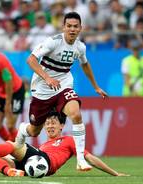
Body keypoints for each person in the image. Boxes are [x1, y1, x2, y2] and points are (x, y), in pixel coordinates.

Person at [15, 12, 108, 171]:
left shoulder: (80, 47)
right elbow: (30, 59)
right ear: (63, 27)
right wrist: (47, 78)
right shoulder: (53, 42)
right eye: (69, 26)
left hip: (63, 85)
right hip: (42, 89)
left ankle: (80, 160)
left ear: (80, 28)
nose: (72, 29)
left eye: (75, 26)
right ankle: (22, 131)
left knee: (76, 114)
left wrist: (96, 86)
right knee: (34, 130)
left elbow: (85, 64)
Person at [0, 111, 128, 177]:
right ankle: (11, 171)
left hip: (44, 162)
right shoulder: (45, 143)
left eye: (53, 122)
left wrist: (114, 173)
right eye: (47, 123)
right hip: (35, 163)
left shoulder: (69, 140)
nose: (50, 126)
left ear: (62, 125)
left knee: (15, 144)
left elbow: (89, 158)